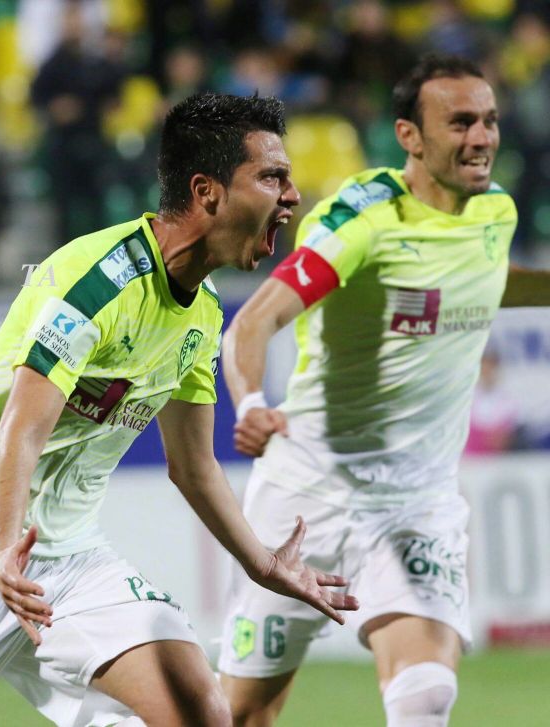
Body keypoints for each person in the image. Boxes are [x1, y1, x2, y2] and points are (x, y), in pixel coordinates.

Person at [0, 92, 358, 727]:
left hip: (68, 554)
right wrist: (0, 548)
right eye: (272, 176)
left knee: (199, 708)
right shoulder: (98, 278)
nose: (291, 194)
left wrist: (262, 564)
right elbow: (23, 426)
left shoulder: (204, 309)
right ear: (207, 191)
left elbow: (194, 466)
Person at [217, 54, 550, 727]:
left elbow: (483, 278)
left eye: (488, 121)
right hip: (305, 493)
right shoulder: (362, 222)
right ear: (409, 136)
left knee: (425, 695)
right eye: (460, 122)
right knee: (238, 715)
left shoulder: (495, 215)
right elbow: (255, 320)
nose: (481, 137)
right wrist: (250, 400)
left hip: (414, 503)